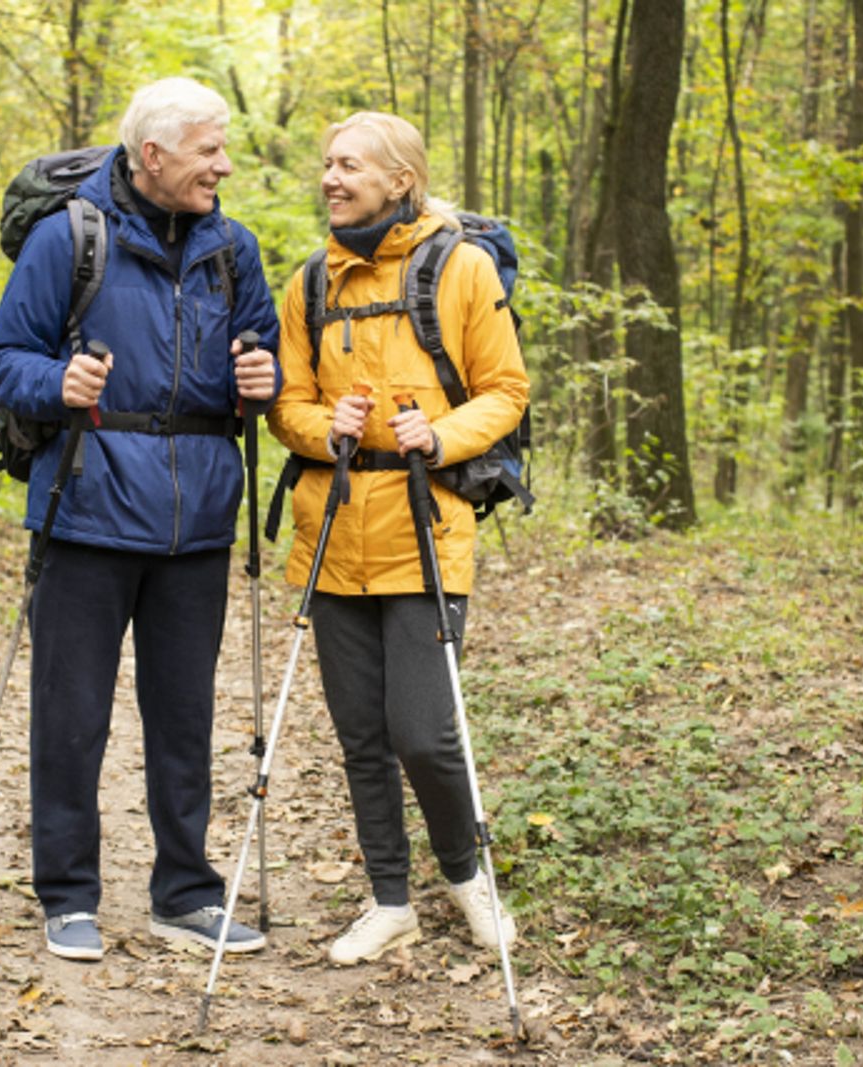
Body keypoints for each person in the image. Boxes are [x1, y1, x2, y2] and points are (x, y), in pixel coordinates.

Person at [0, 77, 281, 963]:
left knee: (184, 720)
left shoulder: (234, 249)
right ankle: (68, 895)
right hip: (87, 512)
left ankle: (185, 894)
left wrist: (263, 383)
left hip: (198, 527)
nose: (223, 165)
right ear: (154, 156)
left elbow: (260, 361)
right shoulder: (67, 238)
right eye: (208, 150)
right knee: (72, 717)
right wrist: (55, 383)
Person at [266, 111, 528, 965]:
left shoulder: (462, 268)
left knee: (424, 731)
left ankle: (465, 875)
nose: (331, 178)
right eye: (328, 164)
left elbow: (506, 388)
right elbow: (286, 402)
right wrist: (318, 423)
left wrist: (442, 436)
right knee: (360, 736)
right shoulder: (311, 281)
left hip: (426, 526)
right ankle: (389, 900)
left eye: (349, 166)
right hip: (334, 531)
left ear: (399, 180)